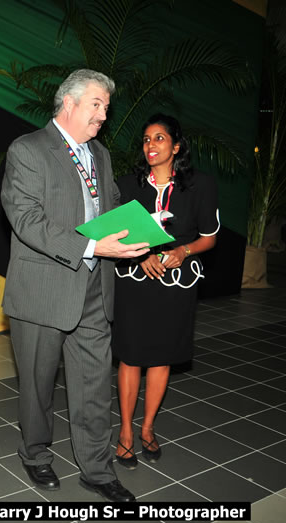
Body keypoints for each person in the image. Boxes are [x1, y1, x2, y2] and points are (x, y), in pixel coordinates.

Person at [1, 69, 149, 503]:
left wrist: (139, 228)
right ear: (69, 103)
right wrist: (90, 245)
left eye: (106, 106)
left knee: (92, 385)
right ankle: (34, 453)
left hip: (94, 290)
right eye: (97, 105)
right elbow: (25, 218)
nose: (104, 115)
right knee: (37, 383)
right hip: (44, 290)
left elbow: (112, 203)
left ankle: (97, 469)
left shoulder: (99, 154)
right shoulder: (28, 150)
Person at [112, 113, 219, 470]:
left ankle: (148, 428)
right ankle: (125, 432)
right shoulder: (127, 186)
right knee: (131, 356)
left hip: (177, 283)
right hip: (135, 283)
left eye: (159, 138)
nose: (151, 145)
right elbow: (116, 233)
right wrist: (141, 254)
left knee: (161, 358)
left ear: (175, 146)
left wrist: (181, 251)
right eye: (146, 139)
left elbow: (209, 237)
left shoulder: (199, 185)